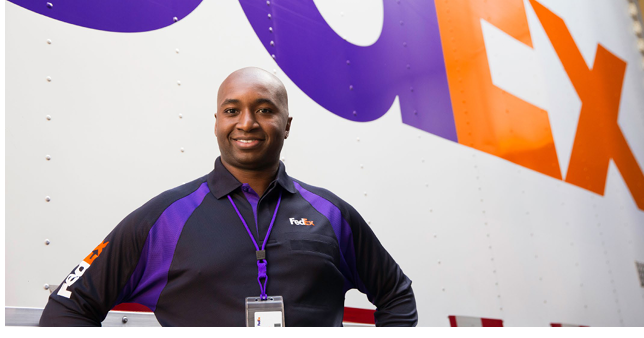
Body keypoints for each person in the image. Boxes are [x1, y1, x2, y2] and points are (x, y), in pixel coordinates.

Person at [39, 67, 418, 327]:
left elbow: (396, 295)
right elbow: (69, 306)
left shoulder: (332, 215)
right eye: (232, 110)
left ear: (287, 125)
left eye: (265, 110)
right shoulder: (165, 217)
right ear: (218, 122)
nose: (247, 122)